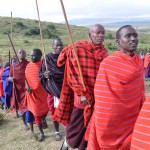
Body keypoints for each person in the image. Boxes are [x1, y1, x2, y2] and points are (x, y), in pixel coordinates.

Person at [86, 25, 145, 150]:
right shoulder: (109, 63)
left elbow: (139, 91)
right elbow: (102, 96)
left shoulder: (139, 61)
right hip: (113, 118)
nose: (133, 39)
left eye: (135, 35)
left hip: (133, 115)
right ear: (118, 42)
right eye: (128, 36)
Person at [53, 24, 108, 150]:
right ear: (90, 35)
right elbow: (72, 73)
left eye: (103, 33)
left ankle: (84, 146)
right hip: (81, 96)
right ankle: (68, 143)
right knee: (76, 125)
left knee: (91, 125)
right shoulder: (78, 49)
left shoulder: (104, 52)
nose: (101, 35)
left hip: (97, 95)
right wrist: (81, 93)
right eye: (97, 33)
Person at [40, 38, 65, 141]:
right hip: (53, 90)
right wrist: (44, 75)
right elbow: (40, 74)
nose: (59, 47)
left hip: (65, 89)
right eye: (57, 45)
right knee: (54, 112)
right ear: (53, 46)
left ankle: (69, 131)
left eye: (61, 45)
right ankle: (57, 131)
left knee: (67, 112)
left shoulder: (65, 57)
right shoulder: (47, 59)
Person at [24, 48, 49, 142]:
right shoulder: (28, 66)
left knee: (46, 110)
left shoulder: (44, 65)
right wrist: (27, 87)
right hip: (32, 95)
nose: (31, 57)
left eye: (33, 55)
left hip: (43, 93)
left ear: (39, 56)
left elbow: (48, 78)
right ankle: (41, 133)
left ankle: (43, 119)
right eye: (30, 55)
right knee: (36, 114)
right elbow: (25, 79)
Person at [8, 49, 34, 130]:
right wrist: (11, 79)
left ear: (25, 54)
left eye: (23, 52)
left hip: (28, 89)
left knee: (30, 107)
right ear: (17, 55)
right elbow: (9, 77)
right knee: (21, 108)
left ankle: (32, 123)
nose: (22, 54)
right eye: (20, 52)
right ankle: (24, 124)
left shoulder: (29, 64)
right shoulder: (13, 66)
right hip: (18, 90)